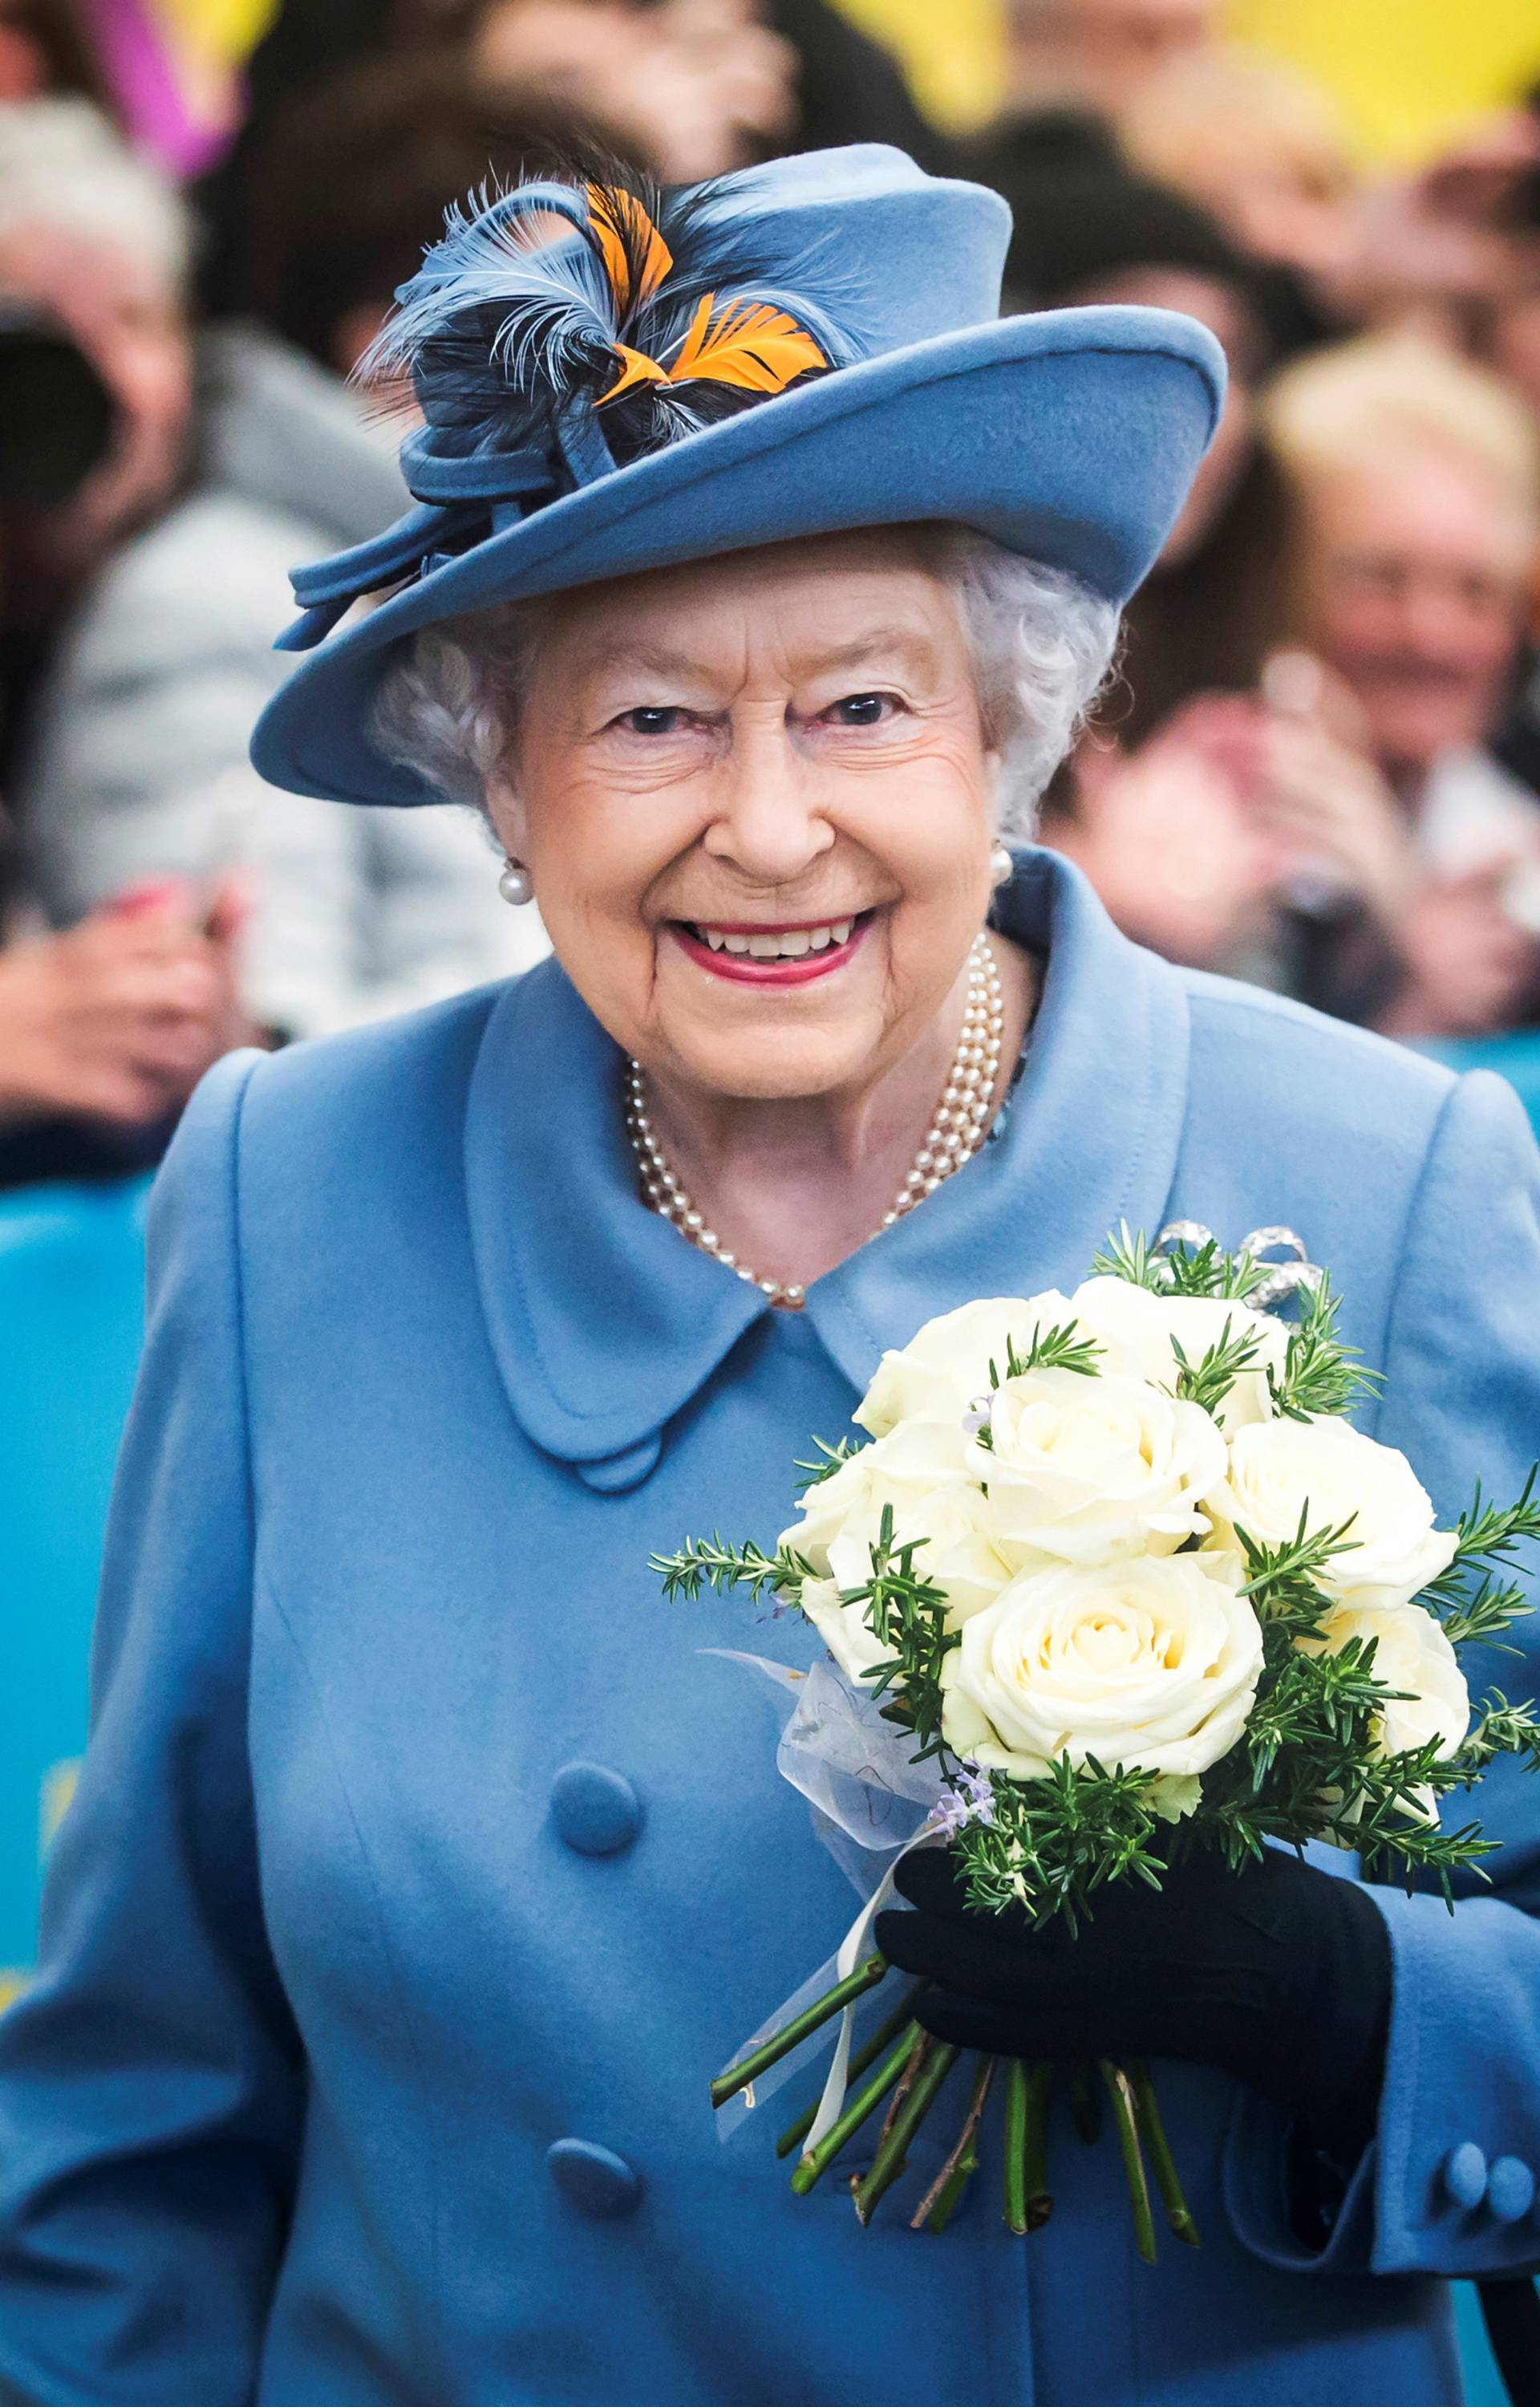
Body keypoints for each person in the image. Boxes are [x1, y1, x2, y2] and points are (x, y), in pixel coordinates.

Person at [0, 144, 1538, 2407]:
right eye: (645, 720)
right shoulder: (292, 1191)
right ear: (499, 779)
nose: (770, 824)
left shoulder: (1388, 1174)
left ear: (1009, 736)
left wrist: (1342, 1999)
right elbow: (139, 2118)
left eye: (862, 707)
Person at [1, 99, 546, 1042]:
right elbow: (256, 1038)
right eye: (37, 337)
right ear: (393, 348)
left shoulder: (380, 554)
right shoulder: (211, 597)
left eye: (134, 323)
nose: (105, 388)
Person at [1266, 331, 1540, 1035]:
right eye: (1381, 581)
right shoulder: (1206, 827)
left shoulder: (1510, 827)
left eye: (1477, 592)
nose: (1433, 638)